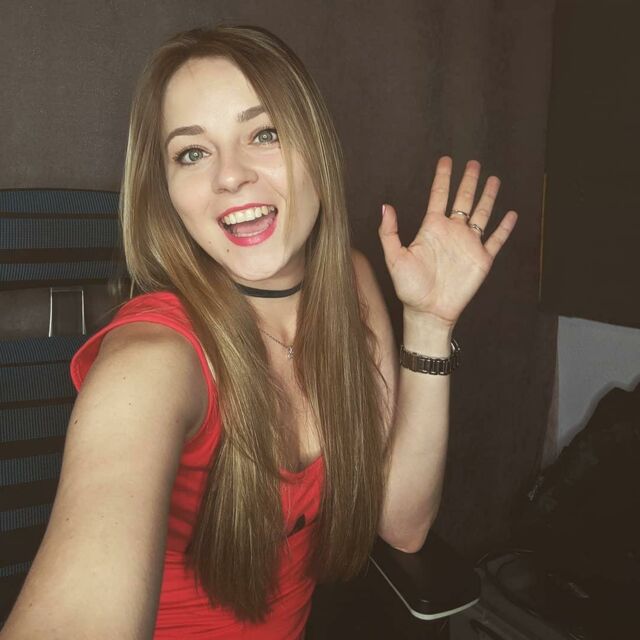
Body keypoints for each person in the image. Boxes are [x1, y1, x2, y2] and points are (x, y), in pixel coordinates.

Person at [1, 24, 518, 640]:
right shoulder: (151, 359)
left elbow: (400, 526)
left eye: (264, 134)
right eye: (192, 153)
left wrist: (429, 325)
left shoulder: (351, 282)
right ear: (166, 192)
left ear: (317, 149)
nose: (230, 176)